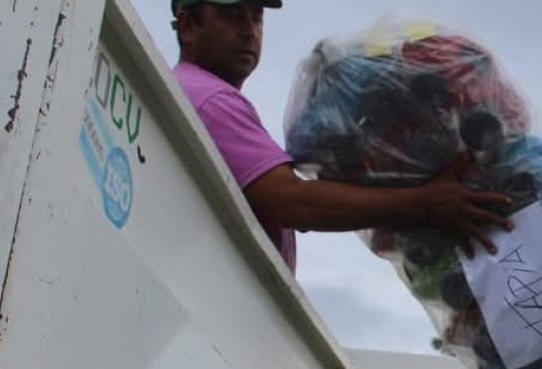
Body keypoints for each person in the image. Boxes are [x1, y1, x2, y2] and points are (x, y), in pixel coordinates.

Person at [170, 0, 512, 273]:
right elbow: (293, 202)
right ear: (188, 26)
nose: (249, 30)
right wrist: (424, 203)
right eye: (231, 15)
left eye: (256, 16)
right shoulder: (211, 99)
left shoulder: (192, 94)